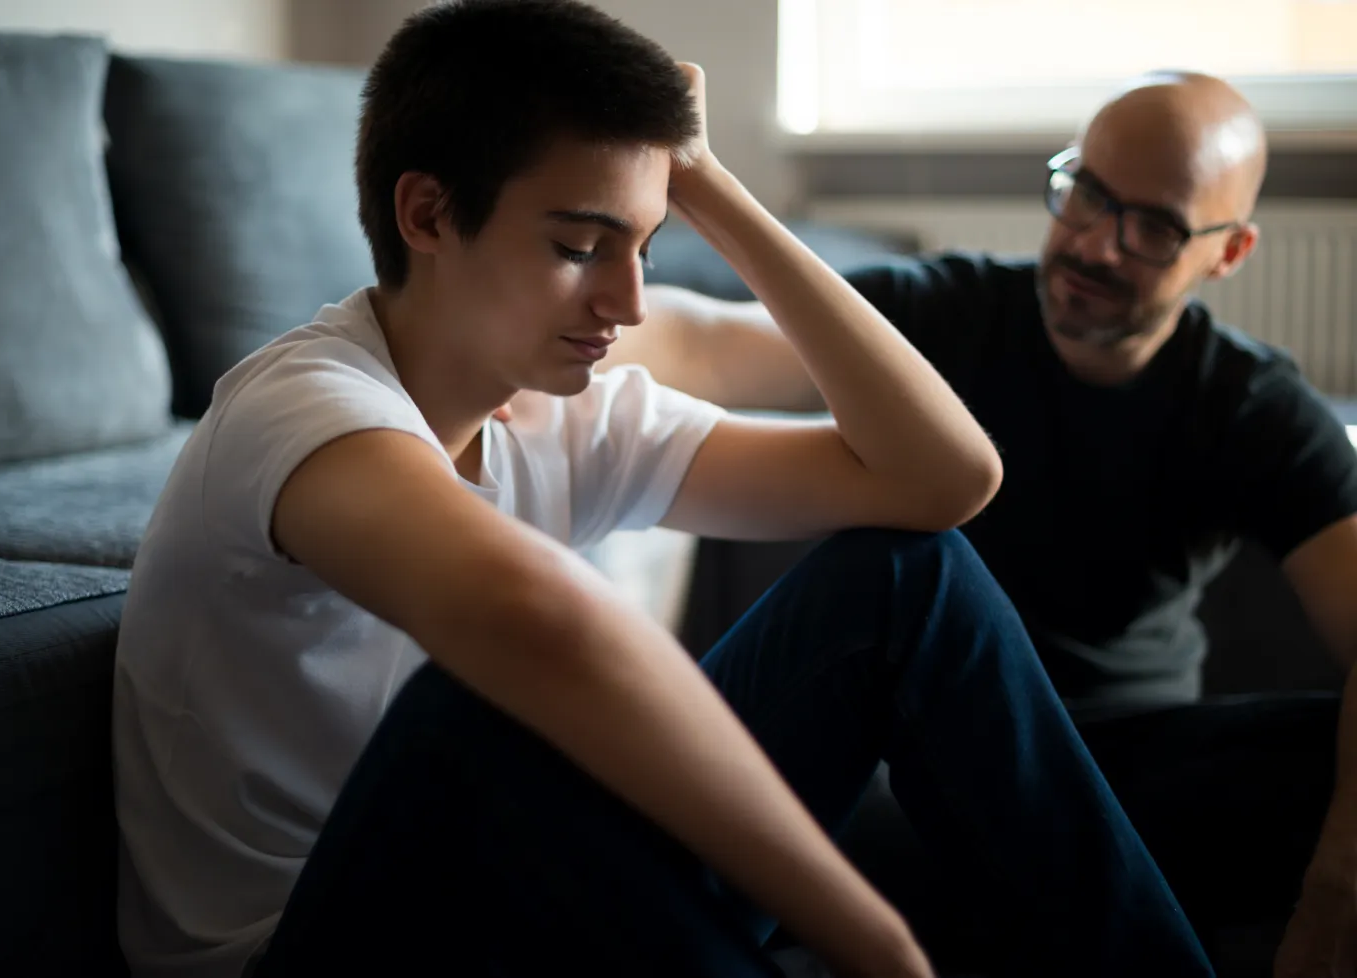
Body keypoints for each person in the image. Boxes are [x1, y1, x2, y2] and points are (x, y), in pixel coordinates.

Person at [110, 4, 1217, 977]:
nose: (629, 303)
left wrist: (711, 187)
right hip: (319, 945)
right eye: (581, 246)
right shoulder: (306, 412)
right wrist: (871, 942)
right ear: (428, 215)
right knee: (481, 708)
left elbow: (942, 481)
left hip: (513, 900)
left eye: (641, 246)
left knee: (901, 577)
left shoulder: (567, 412)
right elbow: (544, 625)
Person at [606, 70, 1357, 975]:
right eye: (1085, 194)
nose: (1096, 245)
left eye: (1153, 227)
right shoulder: (952, 313)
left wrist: (1333, 893)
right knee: (900, 577)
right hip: (921, 775)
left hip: (1128, 774)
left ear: (1227, 252)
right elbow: (710, 340)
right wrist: (534, 323)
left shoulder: (1250, 404)